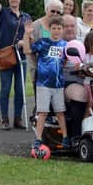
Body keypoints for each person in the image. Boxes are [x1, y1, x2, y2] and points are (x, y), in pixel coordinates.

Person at [0, 0, 32, 130]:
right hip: (6, 55)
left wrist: (24, 40)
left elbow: (31, 36)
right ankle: (4, 118)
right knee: (6, 87)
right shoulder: (3, 13)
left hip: (21, 56)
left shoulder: (27, 17)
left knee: (20, 88)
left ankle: (17, 118)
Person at [22, 17, 69, 150]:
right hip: (43, 84)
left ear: (62, 29)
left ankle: (65, 137)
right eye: (53, 28)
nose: (56, 31)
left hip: (58, 85)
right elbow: (27, 50)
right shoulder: (43, 42)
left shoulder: (65, 45)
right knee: (43, 112)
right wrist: (27, 34)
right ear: (49, 29)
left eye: (59, 28)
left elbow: (65, 62)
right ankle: (38, 138)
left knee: (60, 112)